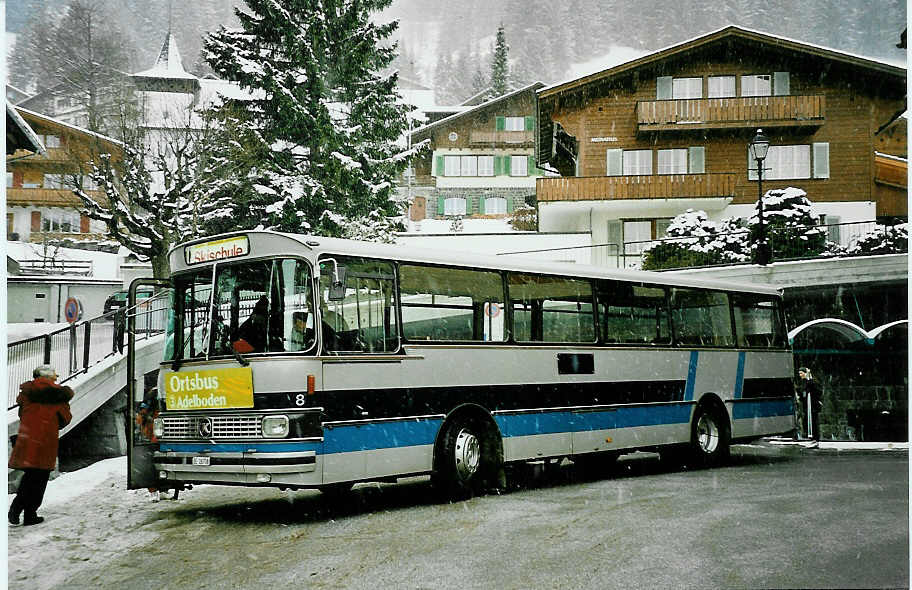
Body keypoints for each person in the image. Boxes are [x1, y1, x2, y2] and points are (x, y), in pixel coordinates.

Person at [8, 365, 74, 526]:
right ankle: (29, 514)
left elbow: (21, 412)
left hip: (28, 437)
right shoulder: (58, 395)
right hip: (46, 440)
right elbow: (65, 419)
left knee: (30, 475)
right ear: (50, 378)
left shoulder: (27, 393)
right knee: (40, 477)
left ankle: (17, 508)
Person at [797, 367, 823, 443]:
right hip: (807, 406)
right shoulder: (804, 382)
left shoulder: (812, 382)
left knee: (814, 422)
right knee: (807, 421)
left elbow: (817, 391)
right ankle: (811, 437)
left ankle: (815, 438)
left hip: (812, 405)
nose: (800, 375)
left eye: (801, 373)